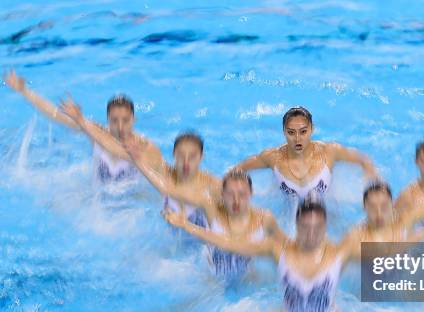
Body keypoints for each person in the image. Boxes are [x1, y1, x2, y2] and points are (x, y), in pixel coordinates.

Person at [164, 194, 424, 312]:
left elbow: (389, 252)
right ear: (296, 226)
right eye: (306, 227)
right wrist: (187, 226)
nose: (311, 233)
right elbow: (229, 243)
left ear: (325, 228)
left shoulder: (341, 251)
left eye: (317, 228)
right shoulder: (278, 250)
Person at [126, 145, 283, 285]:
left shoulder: (264, 219)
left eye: (242, 194)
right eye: (230, 194)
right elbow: (168, 189)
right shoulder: (210, 208)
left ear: (251, 193)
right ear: (222, 194)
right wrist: (138, 162)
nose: (236, 200)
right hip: (211, 282)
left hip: (248, 280)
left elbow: (285, 248)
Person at [60, 98, 220, 228]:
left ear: (201, 157)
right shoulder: (165, 175)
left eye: (192, 157)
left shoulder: (209, 186)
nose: (186, 162)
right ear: (173, 155)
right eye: (181, 156)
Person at [4, 69, 138, 183]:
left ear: (134, 119)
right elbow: (55, 115)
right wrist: (25, 91)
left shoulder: (142, 147)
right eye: (114, 120)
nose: (120, 127)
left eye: (125, 120)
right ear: (108, 120)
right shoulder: (96, 133)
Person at [234, 106, 378, 199]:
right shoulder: (272, 157)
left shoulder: (329, 152)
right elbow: (238, 169)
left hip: (327, 212)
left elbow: (364, 160)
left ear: (312, 129)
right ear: (284, 131)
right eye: (291, 132)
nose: (297, 139)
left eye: (303, 132)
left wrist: (370, 180)